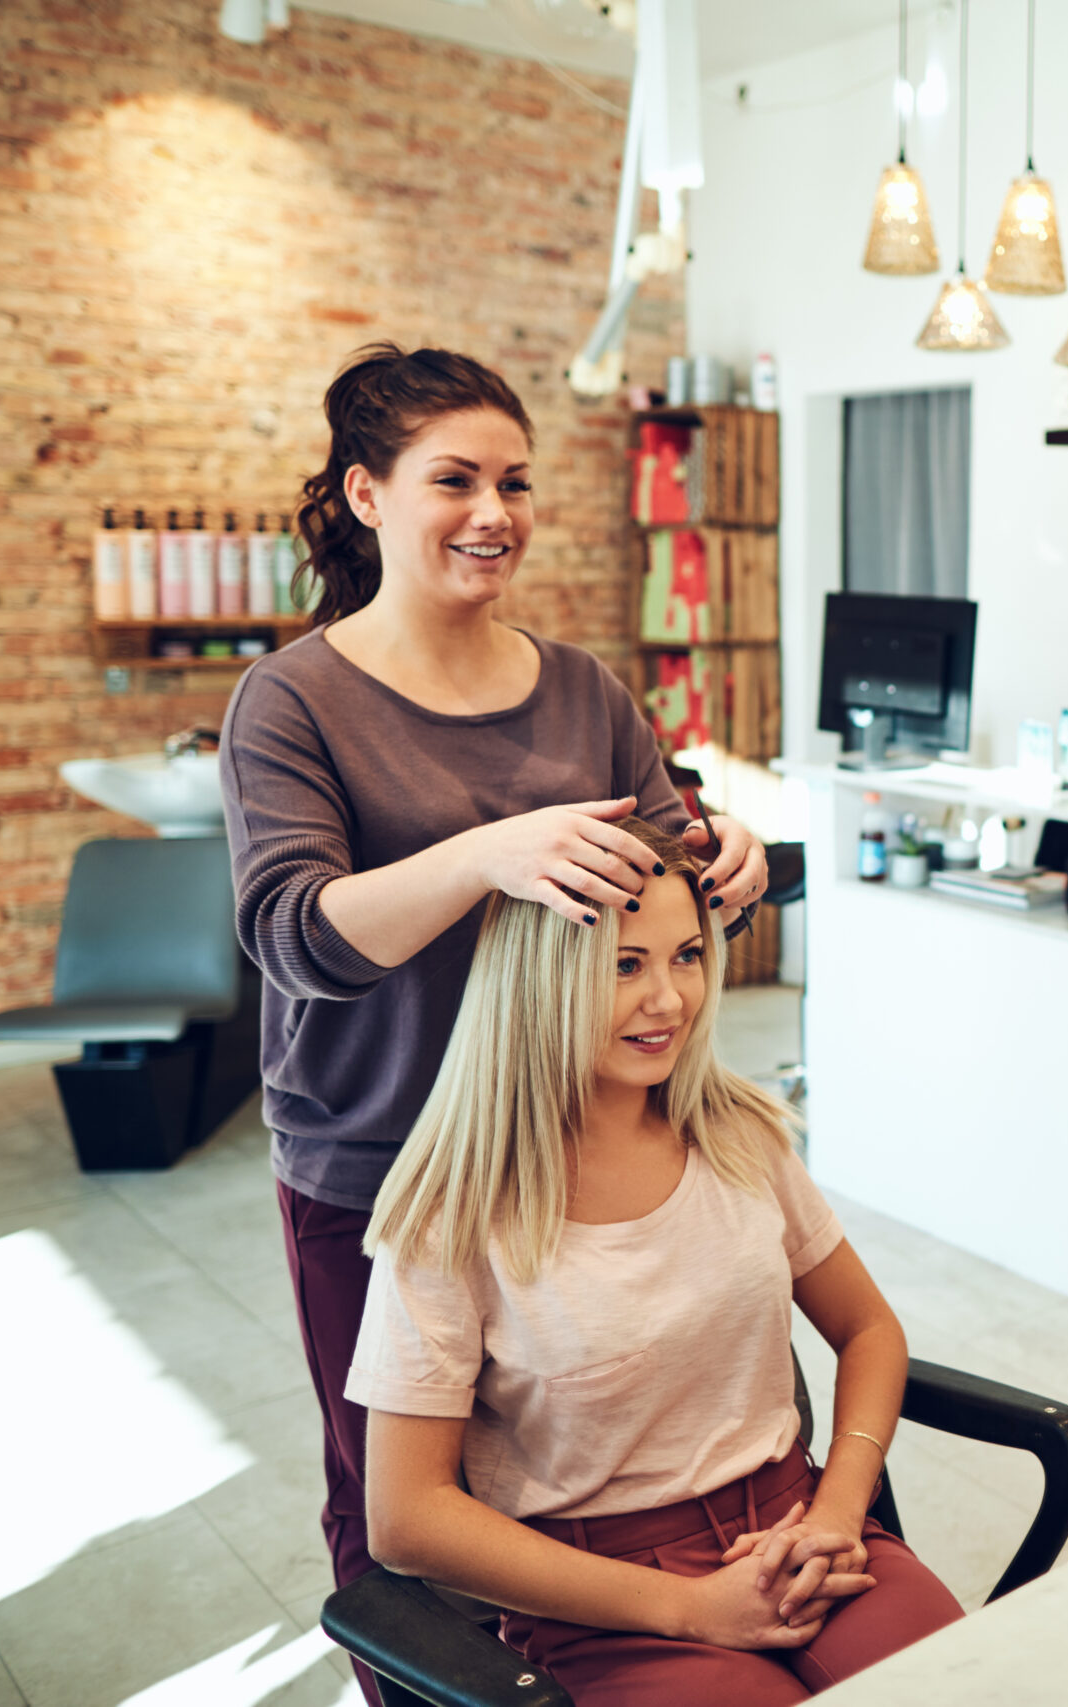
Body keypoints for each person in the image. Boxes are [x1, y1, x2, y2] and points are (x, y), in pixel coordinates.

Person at [218, 344, 769, 1701]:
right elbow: (291, 935)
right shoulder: (293, 700)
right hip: (383, 1167)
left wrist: (727, 851)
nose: (494, 512)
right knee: (401, 1504)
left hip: (580, 1151)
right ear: (366, 493)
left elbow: (662, 869)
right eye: (453, 478)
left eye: (515, 481)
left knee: (575, 1468)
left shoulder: (582, 687)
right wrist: (484, 854)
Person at [350, 819, 962, 1701]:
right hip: (605, 1598)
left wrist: (839, 1509)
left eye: (686, 955)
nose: (670, 998)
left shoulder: (738, 1135)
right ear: (541, 982)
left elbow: (868, 1326)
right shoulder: (453, 1217)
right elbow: (404, 1519)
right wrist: (689, 1610)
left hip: (798, 1526)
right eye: (626, 965)